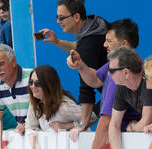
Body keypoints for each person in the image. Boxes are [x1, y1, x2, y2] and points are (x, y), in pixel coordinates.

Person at [67, 18, 141, 149]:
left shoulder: (121, 74)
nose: (104, 45)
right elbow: (95, 80)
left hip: (128, 145)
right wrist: (81, 66)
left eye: (109, 41)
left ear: (124, 45)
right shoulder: (114, 64)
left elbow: (106, 121)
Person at [39, 0, 107, 130]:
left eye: (61, 18)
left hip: (122, 93)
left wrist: (82, 125)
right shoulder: (95, 25)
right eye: (57, 18)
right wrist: (57, 42)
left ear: (76, 17)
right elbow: (81, 48)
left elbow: (86, 89)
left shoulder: (89, 42)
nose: (58, 22)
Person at [107, 46, 152, 149]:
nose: (108, 74)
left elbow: (146, 122)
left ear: (125, 72)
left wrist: (130, 128)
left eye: (111, 71)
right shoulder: (121, 88)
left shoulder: (149, 81)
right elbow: (114, 125)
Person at [25, 65, 97, 149]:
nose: (32, 86)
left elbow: (92, 116)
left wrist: (68, 125)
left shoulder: (64, 107)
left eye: (38, 83)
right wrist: (34, 143)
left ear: (49, 85)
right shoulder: (35, 103)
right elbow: (29, 126)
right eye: (31, 82)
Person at [0, 44, 32, 141]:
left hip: (47, 135)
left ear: (13, 62)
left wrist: (28, 124)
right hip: (25, 137)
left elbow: (48, 109)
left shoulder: (32, 77)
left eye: (1, 64)